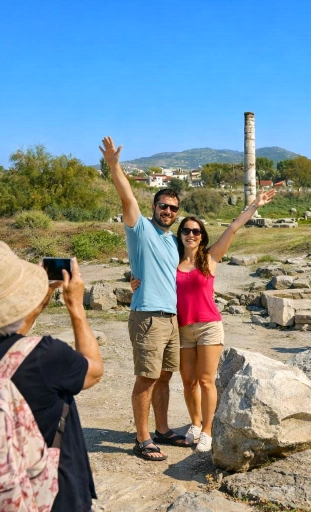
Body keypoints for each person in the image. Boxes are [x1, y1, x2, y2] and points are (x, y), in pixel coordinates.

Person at [0, 241, 103, 512]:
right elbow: (93, 370)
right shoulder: (46, 354)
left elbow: (4, 355)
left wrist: (32, 310)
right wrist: (76, 307)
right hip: (51, 493)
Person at [100, 136, 188, 461]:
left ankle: (162, 429)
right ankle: (142, 438)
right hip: (148, 316)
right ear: (154, 207)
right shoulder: (140, 229)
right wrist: (114, 165)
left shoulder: (172, 241)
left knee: (165, 376)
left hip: (171, 317)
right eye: (163, 206)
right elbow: (126, 197)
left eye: (173, 208)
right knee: (147, 377)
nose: (167, 211)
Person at [174, 189, 276, 452]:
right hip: (183, 328)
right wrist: (134, 280)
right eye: (186, 230)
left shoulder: (210, 258)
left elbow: (232, 228)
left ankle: (207, 430)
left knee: (206, 380)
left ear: (202, 236)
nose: (191, 235)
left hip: (208, 325)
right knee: (188, 381)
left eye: (196, 231)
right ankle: (195, 424)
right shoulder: (172, 262)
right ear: (181, 234)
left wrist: (255, 205)